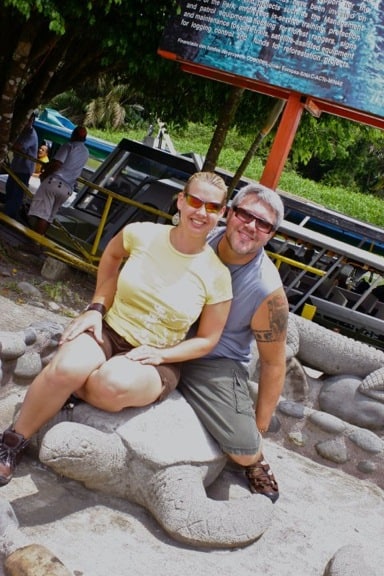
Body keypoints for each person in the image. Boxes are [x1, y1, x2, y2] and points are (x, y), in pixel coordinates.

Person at [0, 171, 232, 486]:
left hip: (157, 357)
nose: (201, 212)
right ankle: (13, 441)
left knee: (109, 385)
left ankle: (69, 390)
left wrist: (164, 355)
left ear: (222, 214)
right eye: (195, 201)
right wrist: (96, 306)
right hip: (111, 330)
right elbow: (111, 256)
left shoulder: (217, 275)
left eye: (213, 207)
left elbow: (208, 339)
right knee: (64, 368)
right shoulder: (142, 234)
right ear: (180, 200)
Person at [179, 182, 289, 503]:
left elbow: (273, 362)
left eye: (264, 224)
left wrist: (259, 428)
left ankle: (255, 458)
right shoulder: (199, 239)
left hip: (215, 360)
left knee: (242, 447)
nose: (251, 227)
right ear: (229, 213)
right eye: (245, 215)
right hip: (170, 332)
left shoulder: (266, 289)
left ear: (271, 234)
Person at [28, 126, 89, 235]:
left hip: (55, 182)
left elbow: (57, 164)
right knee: (50, 217)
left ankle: (34, 242)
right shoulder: (86, 153)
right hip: (67, 189)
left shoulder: (68, 146)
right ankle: (39, 241)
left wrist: (44, 175)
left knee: (42, 215)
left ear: (74, 134)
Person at [3, 112, 38, 220]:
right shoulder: (22, 131)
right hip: (16, 167)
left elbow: (19, 146)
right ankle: (6, 216)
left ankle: (7, 218)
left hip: (23, 170)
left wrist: (6, 143)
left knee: (16, 196)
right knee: (9, 191)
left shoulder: (30, 133)